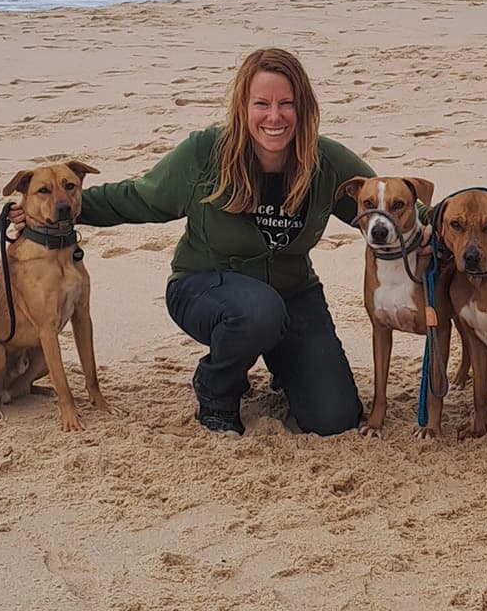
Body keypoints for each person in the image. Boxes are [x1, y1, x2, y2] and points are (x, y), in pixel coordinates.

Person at [69, 47, 374, 436]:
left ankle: (287, 364)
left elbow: (385, 202)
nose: (275, 116)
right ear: (243, 107)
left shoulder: (325, 162)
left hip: (293, 295)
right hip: (204, 290)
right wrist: (64, 210)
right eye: (262, 104)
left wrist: (442, 221)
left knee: (335, 418)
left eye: (287, 103)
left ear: (304, 107)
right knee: (258, 311)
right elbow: (139, 197)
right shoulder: (206, 154)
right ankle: (216, 390)